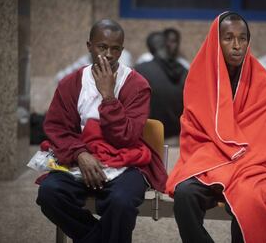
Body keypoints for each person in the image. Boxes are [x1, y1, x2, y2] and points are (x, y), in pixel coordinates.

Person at [35, 19, 167, 243]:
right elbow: (57, 128)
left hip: (126, 162)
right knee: (50, 194)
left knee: (122, 202)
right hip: (81, 159)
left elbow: (126, 137)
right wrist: (80, 154)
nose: (108, 54)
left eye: (115, 49)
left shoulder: (137, 85)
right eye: (102, 47)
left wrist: (108, 97)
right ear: (89, 46)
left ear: (122, 50)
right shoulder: (71, 83)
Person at [166, 12, 266, 243]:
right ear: (215, 40)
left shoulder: (265, 85)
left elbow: (264, 140)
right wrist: (219, 160)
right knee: (185, 193)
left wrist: (232, 164)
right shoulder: (197, 77)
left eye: (243, 38)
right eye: (228, 38)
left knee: (250, 199)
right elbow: (193, 131)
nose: (237, 45)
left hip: (249, 165)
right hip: (207, 161)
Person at [136, 32, 188, 139]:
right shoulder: (184, 70)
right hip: (180, 137)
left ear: (150, 49)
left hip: (152, 137)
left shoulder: (141, 70)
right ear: (167, 45)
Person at [55, 48, 134, 82]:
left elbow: (121, 76)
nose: (108, 53)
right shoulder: (87, 60)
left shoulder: (124, 56)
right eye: (102, 46)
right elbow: (60, 77)